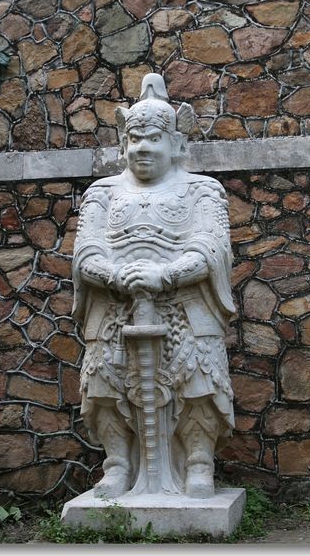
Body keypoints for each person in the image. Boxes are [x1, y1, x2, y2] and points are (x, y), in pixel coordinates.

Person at [71, 74, 234, 499]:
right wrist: (112, 275)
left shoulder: (202, 191)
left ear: (176, 144)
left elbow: (211, 246)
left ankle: (198, 462)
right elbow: (86, 252)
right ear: (123, 144)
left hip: (184, 305)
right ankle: (117, 464)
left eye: (154, 138)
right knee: (105, 383)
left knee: (198, 382)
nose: (143, 147)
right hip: (116, 306)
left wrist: (168, 275)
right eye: (135, 138)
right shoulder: (102, 193)